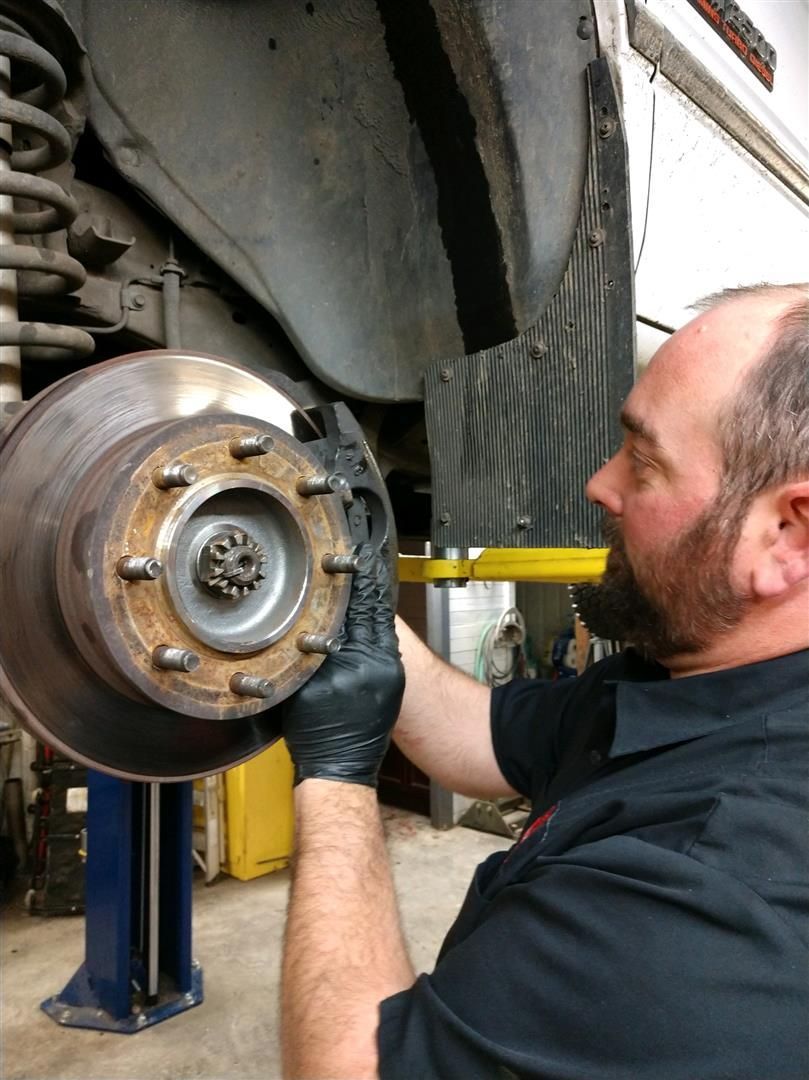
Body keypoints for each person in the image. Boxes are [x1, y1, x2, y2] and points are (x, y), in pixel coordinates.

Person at [279, 283, 809, 1079]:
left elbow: (348, 1068)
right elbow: (477, 738)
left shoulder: (717, 885)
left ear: (787, 536)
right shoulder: (698, 676)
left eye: (643, 459)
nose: (600, 484)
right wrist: (344, 598)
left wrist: (334, 777)